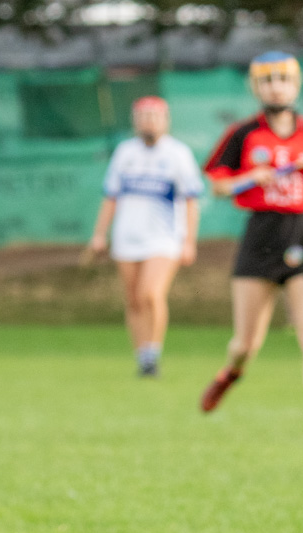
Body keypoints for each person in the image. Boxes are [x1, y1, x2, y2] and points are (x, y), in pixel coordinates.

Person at [199, 51, 303, 435]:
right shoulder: (243, 134)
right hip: (260, 236)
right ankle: (230, 373)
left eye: (282, 80)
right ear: (256, 87)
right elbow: (217, 185)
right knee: (246, 343)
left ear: (295, 85)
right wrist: (251, 177)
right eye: (266, 81)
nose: (275, 87)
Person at [87, 96, 202, 377]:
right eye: (143, 116)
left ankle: (154, 350)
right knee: (133, 299)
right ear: (135, 121)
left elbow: (190, 200)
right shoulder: (125, 152)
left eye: (155, 116)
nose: (149, 122)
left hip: (163, 238)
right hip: (128, 237)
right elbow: (111, 196)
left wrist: (189, 241)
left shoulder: (178, 154)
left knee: (150, 293)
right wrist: (99, 234)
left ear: (165, 121)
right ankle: (143, 358)